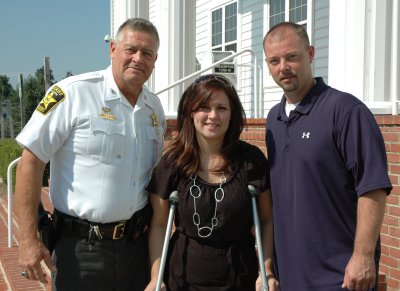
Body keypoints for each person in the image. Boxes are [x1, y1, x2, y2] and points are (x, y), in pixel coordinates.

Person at [14, 17, 165, 291]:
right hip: (81, 250)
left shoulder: (154, 109)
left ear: (155, 60)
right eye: (130, 49)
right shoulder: (73, 94)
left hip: (136, 248)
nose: (138, 58)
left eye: (147, 53)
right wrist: (28, 240)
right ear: (113, 50)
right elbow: (30, 161)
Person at [263, 22, 392, 291]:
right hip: (290, 275)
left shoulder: (345, 111)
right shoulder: (273, 120)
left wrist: (363, 256)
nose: (283, 67)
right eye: (274, 61)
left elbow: (373, 188)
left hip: (340, 277)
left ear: (310, 54)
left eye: (292, 57)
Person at [144, 74, 279, 291]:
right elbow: (159, 224)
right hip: (183, 278)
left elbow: (266, 219)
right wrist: (155, 277)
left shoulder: (250, 161)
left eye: (222, 108)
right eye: (204, 107)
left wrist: (267, 270)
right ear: (191, 111)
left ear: (232, 114)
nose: (212, 115)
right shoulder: (173, 162)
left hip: (239, 277)